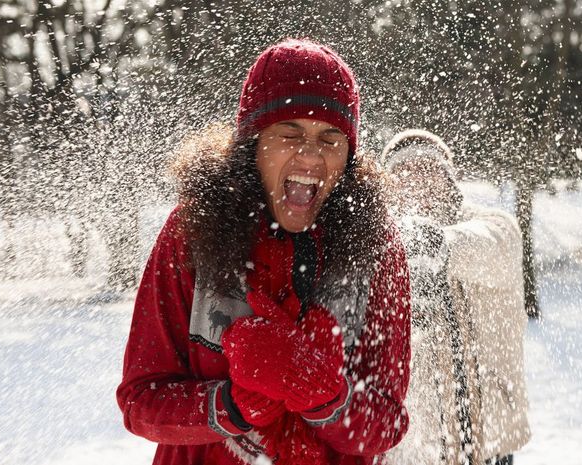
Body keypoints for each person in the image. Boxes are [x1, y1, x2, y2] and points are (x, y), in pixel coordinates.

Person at [116, 39, 412, 465]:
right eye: (289, 133)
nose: (310, 154)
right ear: (252, 145)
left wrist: (324, 397)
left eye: (331, 138)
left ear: (349, 156)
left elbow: (387, 424)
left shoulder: (376, 249)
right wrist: (232, 406)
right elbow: (140, 402)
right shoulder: (191, 233)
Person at [382, 130, 530, 465]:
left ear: (448, 178)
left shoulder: (490, 224)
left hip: (486, 437)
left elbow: (494, 248)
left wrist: (436, 244)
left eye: (428, 170)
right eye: (405, 172)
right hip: (414, 447)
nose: (418, 180)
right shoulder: (383, 241)